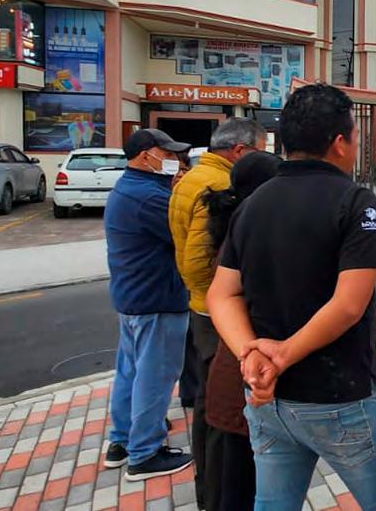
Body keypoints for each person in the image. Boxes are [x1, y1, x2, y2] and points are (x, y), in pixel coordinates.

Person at [206, 83, 376, 509]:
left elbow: (221, 295)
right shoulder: (355, 201)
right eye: (355, 137)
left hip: (268, 401)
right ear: (339, 143)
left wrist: (250, 354)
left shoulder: (252, 204)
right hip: (340, 398)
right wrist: (279, 355)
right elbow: (349, 304)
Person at [168, 118, 266, 508]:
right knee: (218, 403)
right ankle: (213, 487)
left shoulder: (191, 177)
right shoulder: (217, 184)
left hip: (203, 305)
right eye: (258, 150)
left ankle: (210, 482)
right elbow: (197, 260)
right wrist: (220, 298)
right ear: (240, 151)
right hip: (214, 313)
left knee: (209, 397)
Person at [102, 128, 195, 481]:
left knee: (131, 371)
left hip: (133, 297)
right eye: (168, 155)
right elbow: (186, 235)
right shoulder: (149, 198)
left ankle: (122, 440)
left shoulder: (130, 188)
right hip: (157, 299)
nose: (174, 162)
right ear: (146, 156)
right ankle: (145, 453)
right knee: (155, 377)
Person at [200, 151, 282, 511]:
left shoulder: (239, 224)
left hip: (237, 383)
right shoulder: (249, 233)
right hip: (240, 388)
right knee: (234, 489)